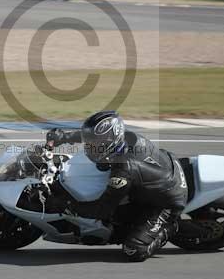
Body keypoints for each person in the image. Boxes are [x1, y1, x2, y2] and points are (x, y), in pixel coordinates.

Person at [46, 110, 188, 262]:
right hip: (166, 166)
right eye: (90, 143)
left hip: (168, 200)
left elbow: (101, 210)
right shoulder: (125, 137)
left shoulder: (123, 171)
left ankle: (172, 227)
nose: (89, 147)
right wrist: (64, 137)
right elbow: (93, 136)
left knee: (133, 249)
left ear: (110, 141)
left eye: (94, 144)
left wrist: (65, 205)